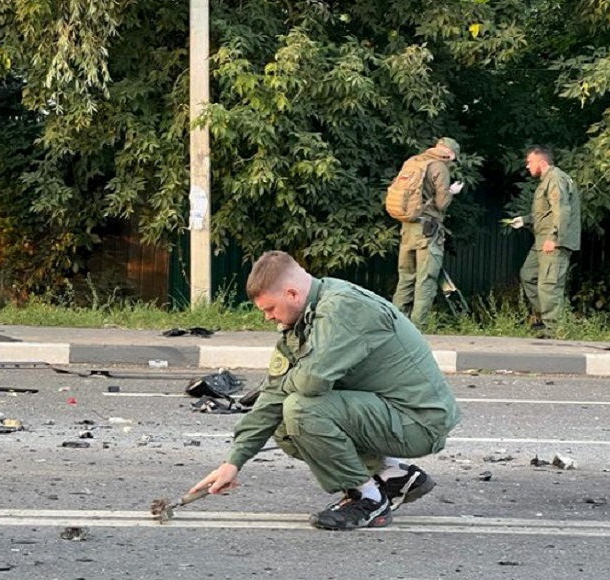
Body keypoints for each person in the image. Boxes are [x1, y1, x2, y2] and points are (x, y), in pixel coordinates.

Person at [190, 251, 460, 530]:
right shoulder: (303, 320)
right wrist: (233, 462)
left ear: (293, 293)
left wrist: (284, 385)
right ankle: (392, 475)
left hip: (418, 421)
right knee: (283, 420)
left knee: (301, 408)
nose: (268, 318)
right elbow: (272, 395)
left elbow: (310, 382)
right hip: (388, 412)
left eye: (270, 309)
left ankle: (367, 499)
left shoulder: (343, 309)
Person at [391, 137, 464, 329]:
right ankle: (417, 328)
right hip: (428, 230)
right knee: (426, 279)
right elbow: (441, 203)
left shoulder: (413, 161)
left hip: (407, 227)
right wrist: (451, 192)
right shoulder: (439, 167)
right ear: (450, 154)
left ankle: (396, 327)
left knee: (405, 277)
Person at [507, 145, 580, 336]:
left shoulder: (555, 179)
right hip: (541, 240)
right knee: (528, 275)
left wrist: (554, 238)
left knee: (549, 285)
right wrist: (524, 220)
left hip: (552, 241)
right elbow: (546, 212)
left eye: (530, 162)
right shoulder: (547, 180)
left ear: (541, 161)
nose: (528, 166)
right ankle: (543, 319)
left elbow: (562, 210)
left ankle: (553, 331)